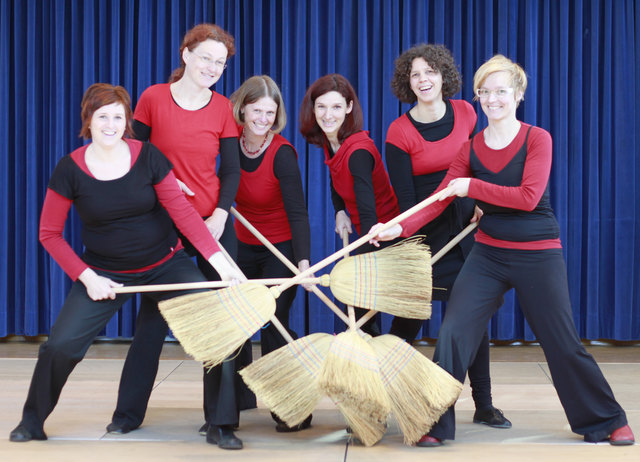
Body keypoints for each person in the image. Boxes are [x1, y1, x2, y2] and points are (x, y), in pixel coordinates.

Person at [370, 55, 635, 447]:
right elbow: (439, 199)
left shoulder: (536, 138)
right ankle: (434, 424)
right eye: (485, 92)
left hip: (537, 251)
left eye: (501, 92)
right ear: (477, 96)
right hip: (489, 254)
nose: (493, 99)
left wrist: (471, 188)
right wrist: (396, 226)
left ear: (518, 94)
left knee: (561, 341)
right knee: (454, 334)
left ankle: (607, 419)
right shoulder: (471, 147)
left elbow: (528, 197)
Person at [8, 83, 243, 443]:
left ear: (127, 121)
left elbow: (182, 213)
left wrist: (219, 260)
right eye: (103, 116)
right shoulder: (69, 169)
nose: (111, 123)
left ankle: (221, 424)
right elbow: (49, 234)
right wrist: (88, 278)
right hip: (104, 271)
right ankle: (32, 421)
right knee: (60, 346)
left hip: (165, 263)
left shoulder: (148, 156)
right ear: (88, 120)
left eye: (118, 116)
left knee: (218, 330)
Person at [106, 24, 249, 450]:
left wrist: (221, 213)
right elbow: (134, 156)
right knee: (152, 322)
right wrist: (160, 184)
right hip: (163, 229)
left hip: (213, 228)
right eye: (205, 57)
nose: (212, 67)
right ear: (185, 54)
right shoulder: (152, 99)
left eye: (220, 63)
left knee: (221, 323)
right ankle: (127, 415)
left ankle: (221, 423)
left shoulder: (223, 107)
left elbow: (231, 170)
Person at [384, 44, 510, 435]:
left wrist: (481, 199)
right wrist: (413, 239)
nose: (423, 80)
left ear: (443, 77)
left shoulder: (468, 113)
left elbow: (482, 163)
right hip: (423, 232)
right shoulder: (399, 131)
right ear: (408, 82)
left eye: (430, 72)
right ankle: (382, 393)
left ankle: (484, 404)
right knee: (407, 320)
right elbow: (407, 202)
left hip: (468, 227)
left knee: (473, 318)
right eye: (415, 74)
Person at [229, 75, 313, 432]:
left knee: (274, 324)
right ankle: (232, 404)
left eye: (270, 112)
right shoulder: (229, 145)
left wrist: (303, 264)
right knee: (234, 325)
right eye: (257, 110)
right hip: (241, 246)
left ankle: (294, 408)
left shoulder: (282, 153)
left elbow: (298, 212)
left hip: (280, 250)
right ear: (243, 108)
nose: (263, 118)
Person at [299, 74, 400, 335]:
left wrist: (362, 263)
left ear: (349, 108)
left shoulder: (357, 152)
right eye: (321, 107)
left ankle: (365, 358)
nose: (327, 114)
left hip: (383, 236)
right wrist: (340, 210)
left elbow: (369, 214)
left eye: (335, 107)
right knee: (356, 307)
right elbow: (335, 176)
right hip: (364, 232)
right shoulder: (332, 143)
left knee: (354, 301)